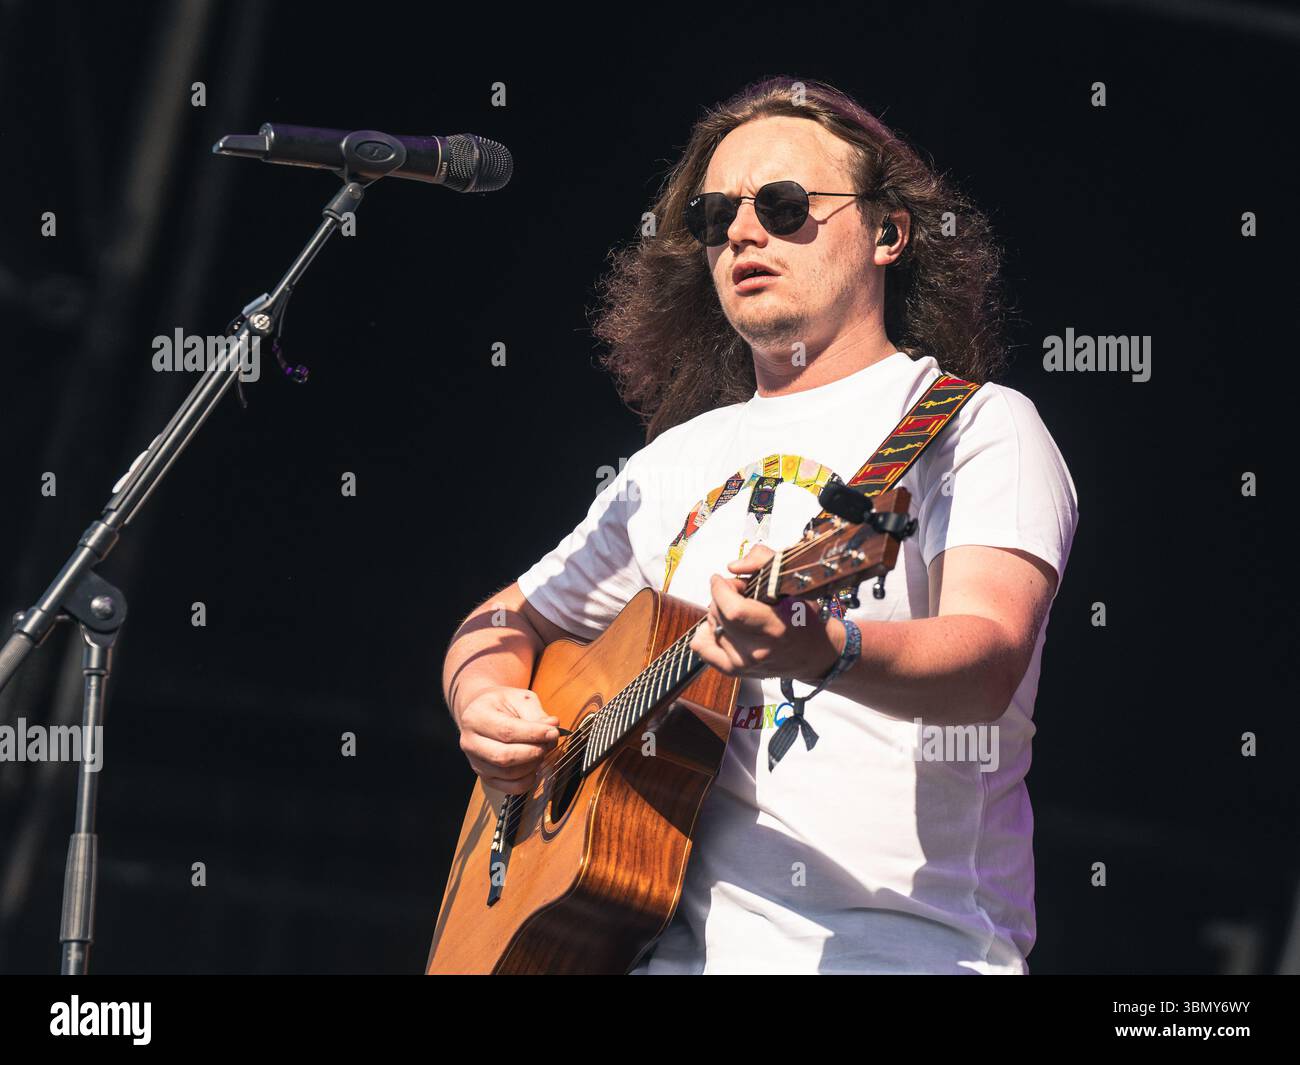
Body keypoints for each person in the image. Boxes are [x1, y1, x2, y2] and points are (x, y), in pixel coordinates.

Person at [441, 76, 1078, 974]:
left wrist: (822, 647)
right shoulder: (674, 461)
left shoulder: (973, 426)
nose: (743, 231)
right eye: (715, 216)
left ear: (889, 232)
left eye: (783, 206)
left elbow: (987, 659)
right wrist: (484, 704)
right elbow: (500, 622)